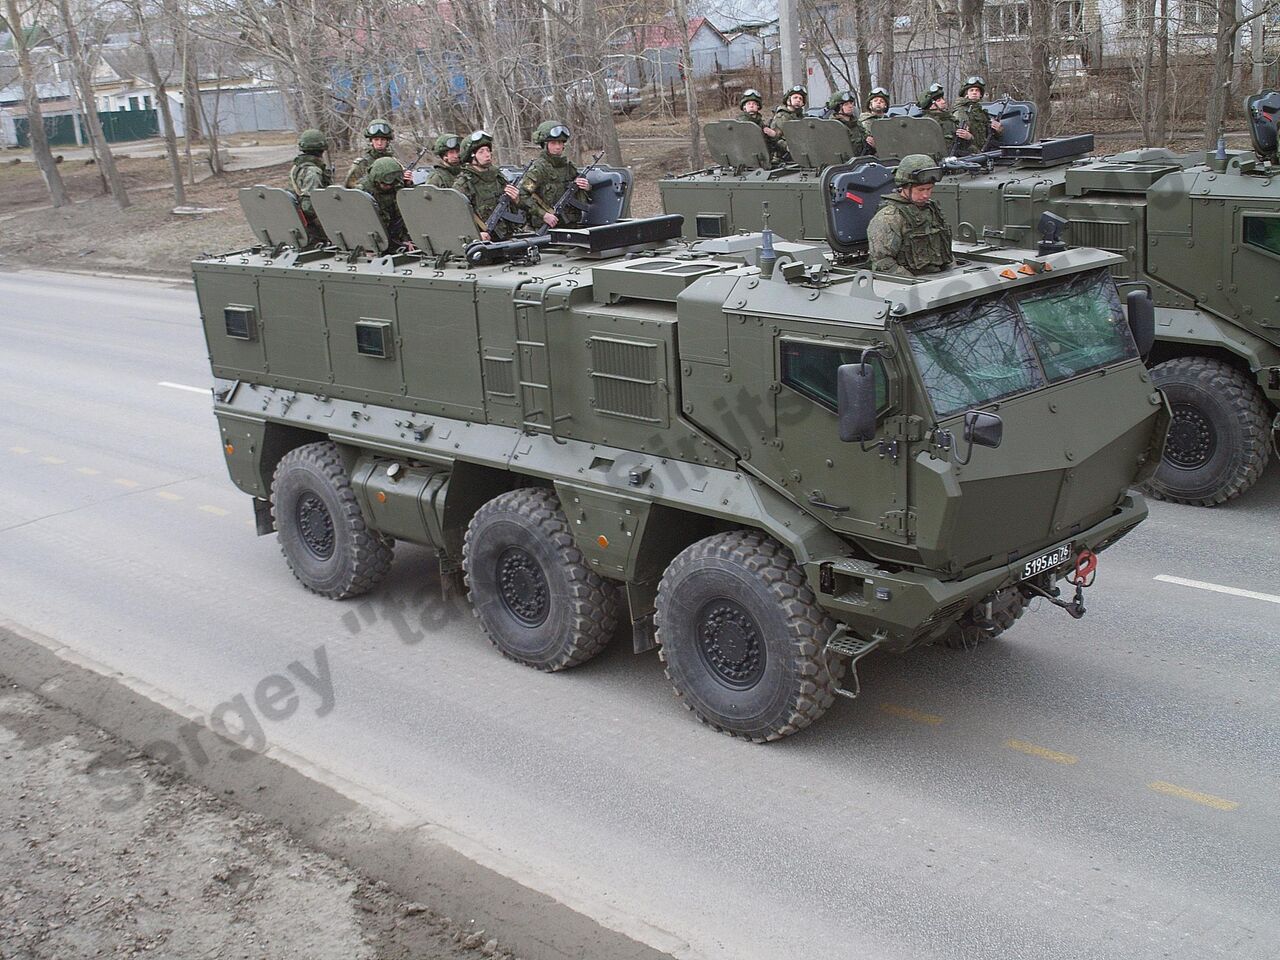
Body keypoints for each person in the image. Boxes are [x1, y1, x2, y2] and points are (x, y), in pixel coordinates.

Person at [867, 154, 954, 277]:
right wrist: (916, 284)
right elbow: (883, 263)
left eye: (929, 189)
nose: (926, 195)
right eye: (921, 190)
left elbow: (945, 251)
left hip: (937, 278)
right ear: (904, 187)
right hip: (911, 283)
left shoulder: (932, 210)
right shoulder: (889, 217)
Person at [453, 130, 525, 242]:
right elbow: (456, 217)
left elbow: (514, 210)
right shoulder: (464, 183)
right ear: (472, 157)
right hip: (483, 242)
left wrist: (516, 200)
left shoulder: (498, 177)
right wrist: (475, 235)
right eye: (481, 152)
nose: (487, 154)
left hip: (507, 237)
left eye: (488, 150)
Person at [520, 122, 592, 229]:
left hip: (570, 226)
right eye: (553, 143)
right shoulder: (538, 169)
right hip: (546, 227)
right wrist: (543, 215)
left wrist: (586, 186)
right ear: (545, 145)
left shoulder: (568, 167)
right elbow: (522, 195)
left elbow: (585, 190)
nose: (558, 147)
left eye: (560, 143)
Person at [288, 128, 331, 247]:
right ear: (322, 149)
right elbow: (309, 207)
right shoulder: (313, 172)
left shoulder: (297, 167)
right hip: (314, 229)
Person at [358, 156, 411, 250]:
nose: (389, 187)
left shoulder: (398, 188)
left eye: (392, 184)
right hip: (373, 242)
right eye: (385, 184)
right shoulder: (362, 193)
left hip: (398, 238)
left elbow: (406, 216)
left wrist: (408, 186)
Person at [952, 76, 1002, 156]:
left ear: (980, 95)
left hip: (982, 152)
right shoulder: (961, 112)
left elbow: (987, 134)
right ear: (966, 94)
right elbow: (957, 139)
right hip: (968, 155)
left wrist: (998, 130)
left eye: (977, 90)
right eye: (971, 90)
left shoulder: (981, 112)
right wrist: (968, 137)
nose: (974, 92)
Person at [344, 118, 396, 188]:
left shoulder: (394, 162)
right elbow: (350, 188)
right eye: (376, 139)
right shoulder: (362, 164)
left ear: (387, 141)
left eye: (383, 140)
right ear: (371, 141)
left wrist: (407, 181)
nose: (379, 143)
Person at [738, 89, 784, 162]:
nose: (751, 105)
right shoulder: (741, 122)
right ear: (744, 107)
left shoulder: (760, 122)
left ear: (758, 107)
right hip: (747, 156)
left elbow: (768, 140)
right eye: (748, 104)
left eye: (754, 104)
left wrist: (773, 135)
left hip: (761, 156)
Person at [917, 83, 957, 158]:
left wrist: (968, 137)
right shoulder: (926, 123)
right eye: (939, 100)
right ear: (931, 105)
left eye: (943, 99)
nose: (943, 101)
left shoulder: (950, 119)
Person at [826, 89, 870, 156]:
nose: (850, 106)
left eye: (851, 103)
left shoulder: (856, 123)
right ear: (838, 107)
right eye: (846, 104)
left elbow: (865, 138)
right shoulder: (833, 126)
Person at [770, 84, 808, 161]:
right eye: (795, 97)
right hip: (783, 157)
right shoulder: (781, 117)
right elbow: (775, 138)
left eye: (800, 99)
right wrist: (787, 147)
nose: (798, 100)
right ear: (788, 100)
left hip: (801, 155)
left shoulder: (802, 118)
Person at [859, 86, 891, 154]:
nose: (878, 103)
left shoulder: (889, 122)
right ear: (870, 104)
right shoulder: (862, 122)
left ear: (885, 105)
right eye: (875, 100)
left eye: (882, 101)